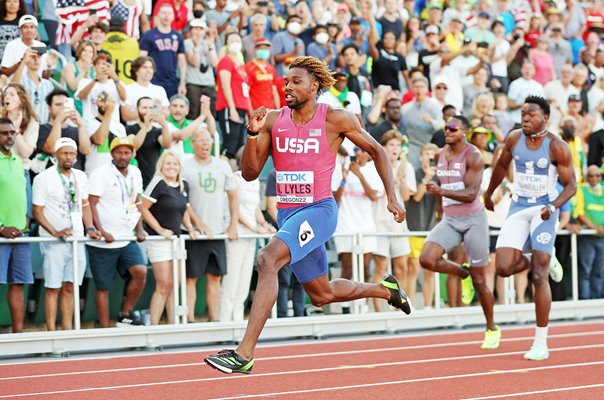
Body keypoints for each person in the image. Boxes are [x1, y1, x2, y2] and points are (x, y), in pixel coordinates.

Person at [204, 56, 409, 374]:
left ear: (314, 86)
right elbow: (249, 174)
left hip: (318, 211)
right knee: (321, 294)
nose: (286, 86)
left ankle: (244, 354)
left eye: (295, 81)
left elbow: (377, 150)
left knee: (267, 260)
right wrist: (252, 134)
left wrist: (392, 197)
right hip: (288, 216)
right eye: (285, 81)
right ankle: (386, 290)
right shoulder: (273, 120)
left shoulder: (337, 119)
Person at [484, 96, 576, 360]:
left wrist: (554, 205)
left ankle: (540, 342)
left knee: (539, 276)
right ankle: (540, 257)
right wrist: (489, 194)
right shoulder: (514, 139)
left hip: (544, 210)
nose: (525, 118)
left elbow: (571, 186)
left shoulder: (557, 147)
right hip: (518, 208)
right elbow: (501, 166)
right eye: (523, 114)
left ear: (545, 118)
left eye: (531, 115)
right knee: (502, 268)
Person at [419, 115, 500, 349]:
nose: (448, 131)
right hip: (451, 218)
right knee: (427, 258)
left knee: (481, 279)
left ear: (464, 131)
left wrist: (441, 192)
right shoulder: (441, 153)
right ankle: (462, 274)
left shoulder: (473, 155)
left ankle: (491, 328)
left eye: (453, 128)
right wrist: (438, 211)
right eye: (445, 127)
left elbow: (472, 194)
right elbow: (439, 190)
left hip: (474, 219)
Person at [32, 138, 101, 331]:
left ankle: (68, 330)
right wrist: (55, 232)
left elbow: (85, 204)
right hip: (53, 241)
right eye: (64, 153)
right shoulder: (44, 178)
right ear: (56, 155)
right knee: (53, 287)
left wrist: (90, 228)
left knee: (71, 286)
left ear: (76, 156)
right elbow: (37, 210)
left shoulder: (80, 176)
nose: (68, 157)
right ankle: (51, 332)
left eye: (72, 153)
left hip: (76, 239)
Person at [87, 136, 147, 327]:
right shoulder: (100, 173)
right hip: (104, 242)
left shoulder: (135, 172)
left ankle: (125, 313)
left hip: (126, 237)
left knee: (140, 272)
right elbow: (91, 203)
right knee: (103, 287)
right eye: (119, 152)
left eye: (127, 152)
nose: (123, 156)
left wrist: (139, 228)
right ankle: (105, 330)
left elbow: (136, 202)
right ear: (112, 154)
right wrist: (101, 230)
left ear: (132, 154)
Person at [182, 128, 238, 322]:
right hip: (194, 234)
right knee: (191, 278)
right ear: (193, 144)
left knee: (215, 277)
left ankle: (214, 320)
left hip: (218, 232)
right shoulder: (184, 166)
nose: (205, 144)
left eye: (208, 140)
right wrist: (198, 224)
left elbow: (233, 196)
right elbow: (182, 201)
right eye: (200, 140)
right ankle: (189, 321)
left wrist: (232, 224)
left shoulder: (222, 166)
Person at [140, 150, 200, 324]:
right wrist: (159, 230)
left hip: (177, 240)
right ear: (161, 166)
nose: (171, 167)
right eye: (168, 163)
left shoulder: (183, 184)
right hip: (159, 241)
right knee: (164, 285)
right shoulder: (158, 182)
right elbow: (143, 208)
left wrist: (190, 228)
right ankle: (154, 328)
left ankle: (174, 327)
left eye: (174, 164)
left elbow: (184, 210)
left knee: (175, 284)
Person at [220, 148, 275, 322]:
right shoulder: (234, 178)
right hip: (237, 236)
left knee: (244, 282)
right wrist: (253, 227)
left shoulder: (255, 181)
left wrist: (264, 224)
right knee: (231, 281)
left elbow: (256, 208)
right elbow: (234, 208)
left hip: (251, 237)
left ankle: (237, 321)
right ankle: (224, 322)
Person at [0, 117, 32, 333]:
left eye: (12, 132)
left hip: (21, 233)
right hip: (2, 233)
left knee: (18, 283)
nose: (9, 136)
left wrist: (26, 218)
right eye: (4, 133)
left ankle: (18, 334)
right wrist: (1, 227)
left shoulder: (17, 160)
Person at [34, 88, 90, 173]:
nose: (62, 108)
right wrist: (58, 121)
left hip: (74, 178)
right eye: (58, 105)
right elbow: (51, 148)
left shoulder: (76, 130)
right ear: (49, 109)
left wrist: (81, 125)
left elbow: (86, 150)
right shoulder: (40, 128)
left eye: (65, 105)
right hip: (49, 178)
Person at [139, 3, 186, 98]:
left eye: (169, 13)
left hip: (172, 82)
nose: (166, 15)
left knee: (170, 110)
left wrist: (182, 82)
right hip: (153, 80)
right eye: (164, 13)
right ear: (158, 15)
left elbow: (182, 61)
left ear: (173, 16)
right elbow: (141, 59)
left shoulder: (178, 37)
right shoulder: (149, 35)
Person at [126, 96, 172, 188]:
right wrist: (145, 127)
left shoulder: (157, 131)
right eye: (144, 108)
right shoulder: (130, 129)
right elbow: (134, 146)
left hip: (153, 179)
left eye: (151, 108)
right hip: (134, 179)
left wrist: (164, 125)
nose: (148, 111)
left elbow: (167, 144)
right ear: (137, 109)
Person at [575, 165, 604, 299]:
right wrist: (594, 227)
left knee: (599, 271)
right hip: (587, 237)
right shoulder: (581, 189)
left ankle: (597, 302)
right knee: (586, 270)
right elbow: (579, 212)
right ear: (587, 177)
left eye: (598, 175)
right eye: (591, 175)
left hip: (601, 238)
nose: (594, 178)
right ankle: (585, 301)